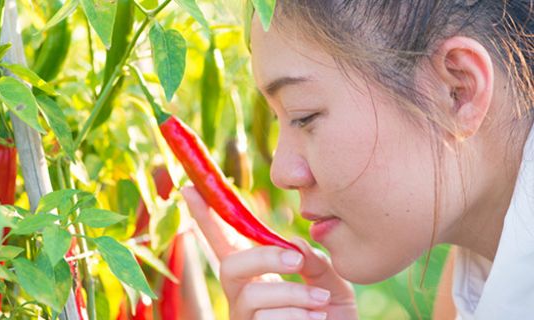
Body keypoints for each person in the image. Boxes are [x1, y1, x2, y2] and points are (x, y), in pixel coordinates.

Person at [182, 1, 534, 319]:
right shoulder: (474, 275)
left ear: (458, 91)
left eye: (304, 115)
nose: (280, 173)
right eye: (279, 120)